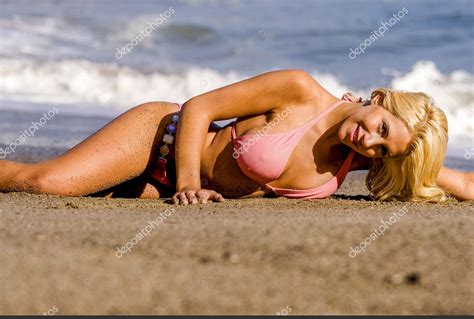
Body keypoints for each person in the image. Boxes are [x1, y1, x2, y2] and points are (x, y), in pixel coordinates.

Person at [0, 70, 472, 204]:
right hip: (160, 141)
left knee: (95, 194)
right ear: (379, 99)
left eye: (383, 149)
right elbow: (199, 108)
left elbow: (451, 180)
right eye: (381, 129)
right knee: (43, 183)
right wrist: (187, 184)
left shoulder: (354, 155)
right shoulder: (299, 90)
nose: (370, 143)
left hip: (160, 191)